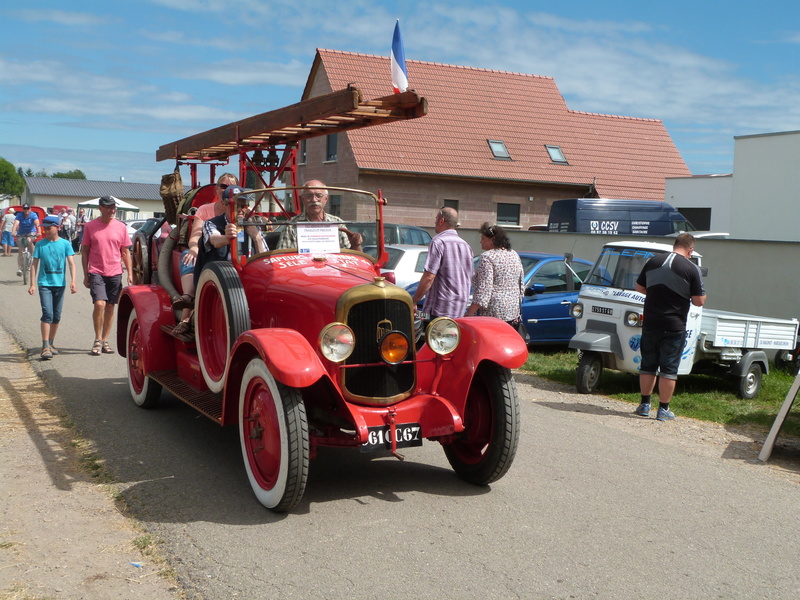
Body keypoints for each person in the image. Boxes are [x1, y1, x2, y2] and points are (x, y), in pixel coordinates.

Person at [634, 233, 706, 421]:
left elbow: (639, 288)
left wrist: (657, 293)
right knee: (668, 368)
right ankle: (663, 410)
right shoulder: (691, 268)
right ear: (690, 249)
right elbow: (698, 301)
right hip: (674, 325)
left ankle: (644, 404)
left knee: (648, 364)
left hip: (650, 322)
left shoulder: (653, 261)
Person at [172, 172, 239, 312]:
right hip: (209, 252)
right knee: (189, 257)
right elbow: (196, 236)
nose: (227, 189)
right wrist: (194, 248)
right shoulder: (205, 210)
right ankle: (188, 302)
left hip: (232, 254)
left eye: (232, 186)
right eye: (224, 186)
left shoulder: (243, 211)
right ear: (216, 189)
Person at [81, 195, 132, 356]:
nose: (112, 210)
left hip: (115, 272)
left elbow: (125, 252)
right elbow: (85, 252)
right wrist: (85, 274)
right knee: (99, 304)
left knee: (110, 306)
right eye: (109, 207)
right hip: (96, 271)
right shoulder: (90, 226)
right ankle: (97, 339)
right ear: (100, 208)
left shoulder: (121, 227)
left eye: (114, 207)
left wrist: (130, 273)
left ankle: (105, 340)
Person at [28, 215, 78, 359]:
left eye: (49, 228)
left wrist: (73, 281)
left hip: (59, 284)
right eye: (44, 229)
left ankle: (50, 343)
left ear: (57, 227)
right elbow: (34, 265)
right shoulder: (40, 244)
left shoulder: (65, 244)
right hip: (44, 284)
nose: (46, 231)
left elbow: (71, 263)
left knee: (56, 316)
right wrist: (32, 284)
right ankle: (44, 346)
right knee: (47, 314)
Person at [412, 207, 473, 319]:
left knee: (431, 334)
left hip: (441, 308)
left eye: (436, 219)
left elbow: (429, 277)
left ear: (441, 221)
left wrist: (414, 301)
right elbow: (468, 277)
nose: (435, 222)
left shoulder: (438, 242)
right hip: (459, 308)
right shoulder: (466, 246)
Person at [277, 180, 362, 251]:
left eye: (319, 195)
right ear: (303, 200)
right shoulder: (291, 225)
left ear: (326, 199)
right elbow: (283, 257)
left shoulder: (338, 223)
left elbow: (352, 258)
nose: (314, 200)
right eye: (309, 196)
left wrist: (356, 245)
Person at [466, 223, 524, 326]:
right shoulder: (514, 254)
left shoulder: (487, 257)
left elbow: (483, 293)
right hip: (513, 312)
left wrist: (468, 314)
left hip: (493, 315)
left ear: (492, 239)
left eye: (483, 238)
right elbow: (521, 284)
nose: (480, 242)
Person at [197, 187, 267, 271]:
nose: (240, 210)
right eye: (235, 205)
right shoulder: (211, 223)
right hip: (220, 276)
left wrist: (257, 238)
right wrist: (227, 238)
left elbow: (265, 262)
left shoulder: (252, 227)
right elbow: (214, 240)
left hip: (248, 274)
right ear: (224, 204)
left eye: (243, 205)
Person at [12, 203, 40, 276]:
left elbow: (37, 223)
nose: (26, 210)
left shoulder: (33, 215)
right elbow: (16, 224)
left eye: (28, 208)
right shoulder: (20, 215)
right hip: (21, 232)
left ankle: (31, 254)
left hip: (31, 232)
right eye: (25, 208)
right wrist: (13, 232)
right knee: (21, 250)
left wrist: (39, 232)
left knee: (29, 240)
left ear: (30, 209)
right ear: (23, 209)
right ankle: (20, 268)